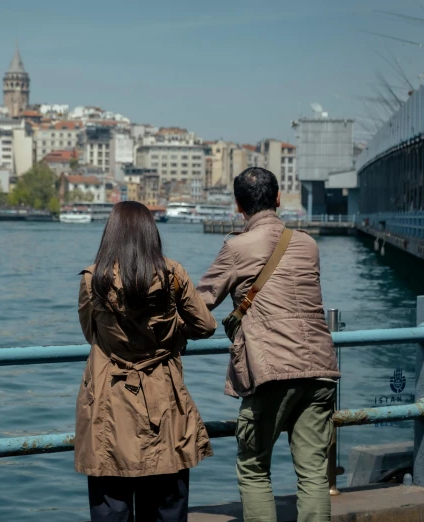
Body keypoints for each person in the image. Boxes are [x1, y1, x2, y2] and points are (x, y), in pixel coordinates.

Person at [196, 167, 340, 522]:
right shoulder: (308, 243)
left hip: (269, 370)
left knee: (254, 467)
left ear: (237, 206)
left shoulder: (235, 247)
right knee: (313, 474)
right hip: (319, 369)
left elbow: (200, 304)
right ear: (278, 199)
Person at [75, 201, 218, 522]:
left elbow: (91, 334)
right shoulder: (172, 275)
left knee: (112, 506)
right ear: (150, 233)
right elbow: (206, 326)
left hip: (108, 405)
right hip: (163, 402)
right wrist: (173, 333)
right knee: (166, 504)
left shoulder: (92, 280)